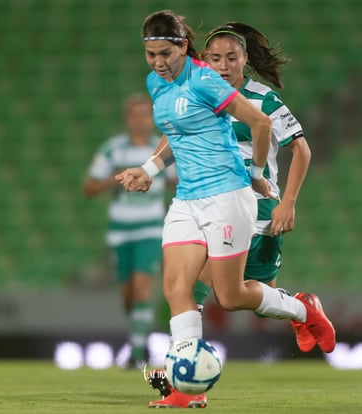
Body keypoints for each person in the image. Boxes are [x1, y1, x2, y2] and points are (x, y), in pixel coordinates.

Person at [115, 9, 335, 408]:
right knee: (181, 289)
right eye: (215, 58)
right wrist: (149, 168)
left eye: (230, 58)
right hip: (191, 199)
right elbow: (175, 129)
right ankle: (187, 386)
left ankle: (302, 308)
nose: (222, 66)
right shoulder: (168, 84)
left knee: (231, 296)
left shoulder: (256, 97)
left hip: (249, 200)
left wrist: (282, 197)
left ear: (243, 59)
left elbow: (292, 144)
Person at [84, 93, 176, 369]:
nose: (139, 121)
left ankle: (136, 354)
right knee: (128, 295)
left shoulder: (159, 149)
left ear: (152, 118)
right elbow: (89, 187)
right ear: (128, 119)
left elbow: (175, 180)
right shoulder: (113, 150)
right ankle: (142, 338)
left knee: (141, 286)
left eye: (144, 115)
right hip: (120, 231)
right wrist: (117, 179)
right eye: (134, 115)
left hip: (149, 228)